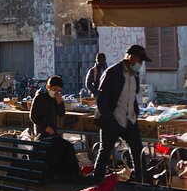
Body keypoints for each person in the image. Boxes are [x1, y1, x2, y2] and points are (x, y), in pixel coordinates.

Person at [91, 45, 150, 183]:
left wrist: (136, 112)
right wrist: (109, 119)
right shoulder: (112, 72)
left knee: (138, 152)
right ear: (132, 57)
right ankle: (96, 182)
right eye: (140, 60)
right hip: (113, 119)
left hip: (130, 119)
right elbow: (102, 99)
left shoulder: (134, 74)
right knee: (105, 151)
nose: (140, 64)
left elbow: (132, 97)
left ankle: (143, 183)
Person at [29, 75, 80, 180]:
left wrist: (59, 102)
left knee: (67, 147)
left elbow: (61, 114)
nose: (56, 92)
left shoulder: (54, 98)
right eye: (54, 89)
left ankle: (72, 174)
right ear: (48, 87)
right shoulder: (40, 97)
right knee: (61, 147)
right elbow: (33, 116)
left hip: (53, 132)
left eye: (59, 90)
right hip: (42, 133)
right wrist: (45, 127)